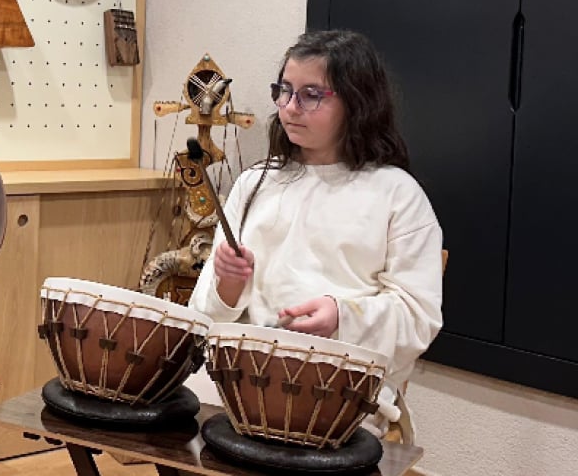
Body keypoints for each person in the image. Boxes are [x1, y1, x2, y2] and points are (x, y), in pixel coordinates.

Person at [188, 29, 444, 439]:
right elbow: (205, 316)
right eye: (284, 90)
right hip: (241, 372)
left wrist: (342, 316)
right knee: (170, 413)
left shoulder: (398, 195)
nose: (290, 107)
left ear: (356, 103)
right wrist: (227, 286)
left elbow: (419, 318)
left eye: (311, 94)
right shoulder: (256, 182)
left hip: (343, 384)